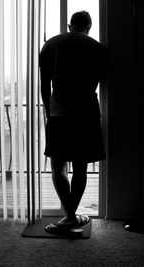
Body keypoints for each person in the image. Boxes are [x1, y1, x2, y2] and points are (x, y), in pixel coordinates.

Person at [39, 11, 108, 233]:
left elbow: (44, 86)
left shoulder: (51, 44)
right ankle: (71, 216)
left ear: (70, 25)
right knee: (80, 168)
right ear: (89, 26)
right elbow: (99, 81)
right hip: (86, 114)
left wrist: (50, 113)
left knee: (58, 167)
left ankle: (69, 216)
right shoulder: (97, 48)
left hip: (59, 114)